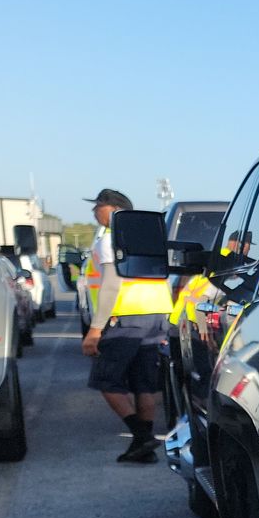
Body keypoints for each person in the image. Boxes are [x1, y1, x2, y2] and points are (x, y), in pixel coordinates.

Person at [80, 188, 174, 462]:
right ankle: (142, 449)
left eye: (97, 206)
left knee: (106, 379)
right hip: (156, 316)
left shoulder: (110, 239)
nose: (94, 211)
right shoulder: (148, 238)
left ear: (112, 209)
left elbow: (110, 285)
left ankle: (143, 437)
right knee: (143, 384)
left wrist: (95, 330)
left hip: (126, 317)